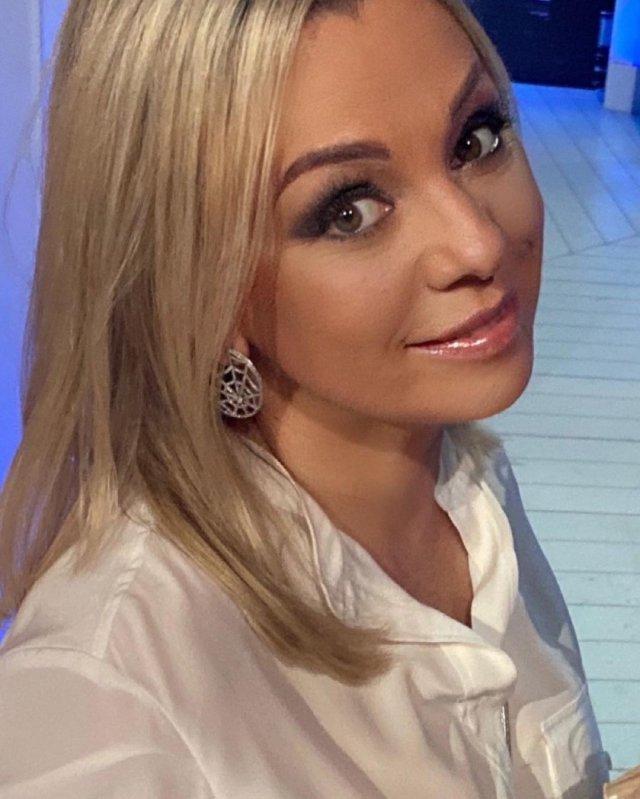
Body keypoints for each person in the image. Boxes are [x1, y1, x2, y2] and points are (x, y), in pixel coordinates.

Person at [0, 0, 611, 796]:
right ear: (197, 287)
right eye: (349, 210)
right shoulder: (106, 704)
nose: (479, 242)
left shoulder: (468, 486)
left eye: (476, 138)